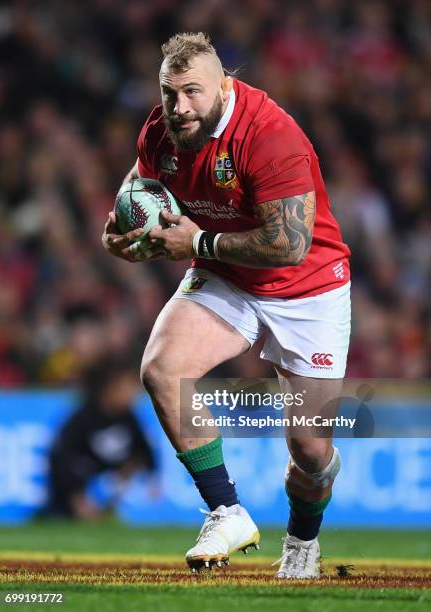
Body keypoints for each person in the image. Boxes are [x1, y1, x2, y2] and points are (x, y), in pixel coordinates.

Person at [102, 32, 351, 578]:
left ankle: (303, 541)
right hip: (225, 275)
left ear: (224, 85)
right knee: (162, 369)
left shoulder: (270, 134)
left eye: (192, 92)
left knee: (310, 451)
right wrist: (120, 228)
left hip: (306, 288)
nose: (179, 106)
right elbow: (139, 181)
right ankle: (226, 509)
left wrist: (194, 243)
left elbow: (290, 244)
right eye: (170, 93)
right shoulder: (164, 128)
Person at [48, 359, 157, 520]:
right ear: (110, 389)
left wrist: (140, 471)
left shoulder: (129, 418)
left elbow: (145, 451)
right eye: (126, 389)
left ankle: (111, 512)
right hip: (79, 484)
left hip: (111, 484)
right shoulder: (83, 418)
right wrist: (76, 497)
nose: (132, 395)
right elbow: (61, 457)